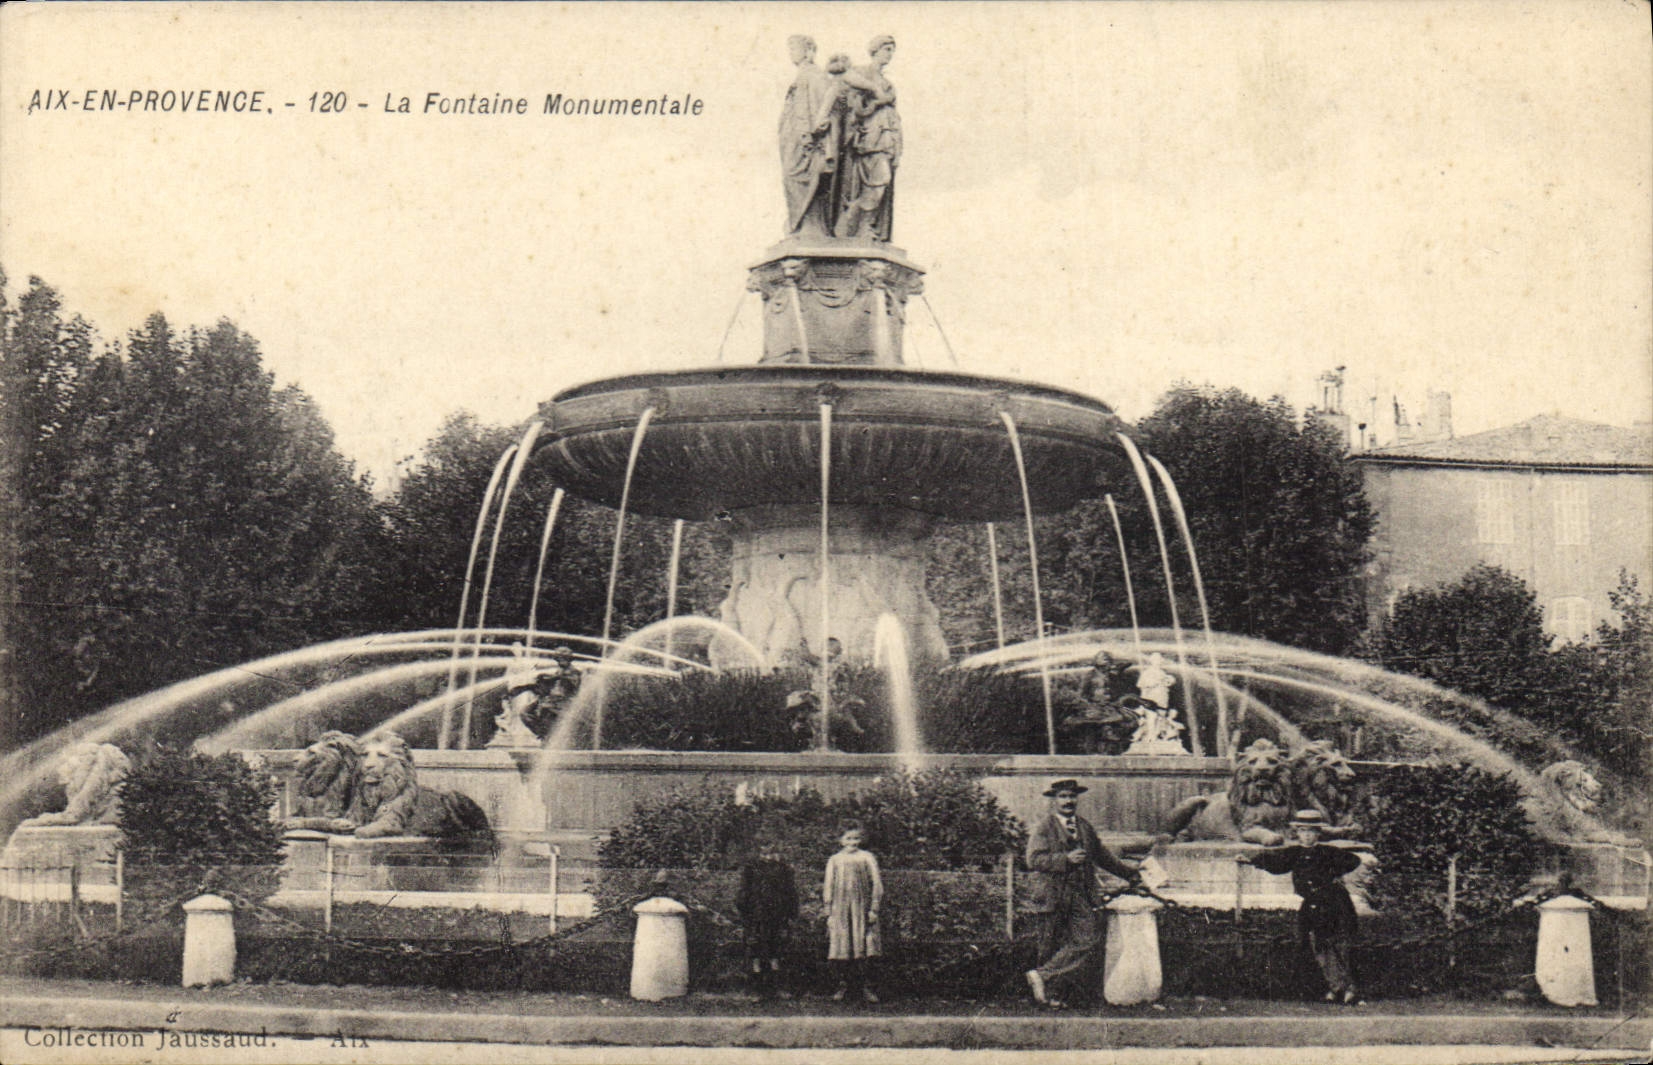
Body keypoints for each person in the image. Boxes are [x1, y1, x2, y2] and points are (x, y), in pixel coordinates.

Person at [1024, 779, 1141, 1009]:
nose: (1068, 801)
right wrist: (1064, 859)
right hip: (1052, 893)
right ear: (1054, 800)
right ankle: (1049, 996)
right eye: (1063, 796)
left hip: (1079, 894)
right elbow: (1033, 859)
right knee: (1051, 944)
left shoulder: (1084, 827)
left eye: (1072, 796)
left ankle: (1042, 976)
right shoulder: (1044, 827)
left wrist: (1130, 874)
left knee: (1087, 938)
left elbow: (1103, 857)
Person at [1237, 809, 1365, 1004]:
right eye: (1303, 831)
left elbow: (1353, 860)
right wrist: (1251, 860)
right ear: (1297, 832)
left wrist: (1332, 875)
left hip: (1334, 903)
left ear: (1318, 834)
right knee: (1317, 944)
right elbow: (1275, 861)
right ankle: (1333, 987)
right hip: (1312, 904)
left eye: (1311, 831)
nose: (1307, 836)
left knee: (1338, 944)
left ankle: (1349, 989)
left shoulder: (1327, 852)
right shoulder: (1294, 853)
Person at [833, 35, 901, 241]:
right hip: (870, 137)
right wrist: (874, 91)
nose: (890, 54)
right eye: (886, 49)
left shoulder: (888, 83)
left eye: (892, 50)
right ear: (875, 50)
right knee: (879, 179)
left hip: (887, 138)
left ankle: (865, 225)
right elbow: (846, 79)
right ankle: (856, 221)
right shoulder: (864, 72)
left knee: (881, 182)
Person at [778, 35, 842, 238]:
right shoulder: (803, 75)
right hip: (793, 138)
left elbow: (823, 106)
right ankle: (801, 223)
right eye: (790, 49)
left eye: (795, 48)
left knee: (799, 175)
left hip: (805, 141)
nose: (791, 53)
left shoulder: (814, 75)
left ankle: (809, 224)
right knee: (791, 176)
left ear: (809, 52)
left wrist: (811, 133)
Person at [823, 822, 884, 1003]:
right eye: (848, 838)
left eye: (856, 838)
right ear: (841, 840)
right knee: (841, 947)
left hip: (861, 909)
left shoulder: (867, 857)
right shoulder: (835, 860)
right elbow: (828, 886)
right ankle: (842, 986)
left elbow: (877, 884)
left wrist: (874, 909)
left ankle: (866, 987)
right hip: (840, 910)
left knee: (864, 946)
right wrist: (829, 912)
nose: (853, 842)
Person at [738, 831, 800, 998]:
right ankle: (756, 988)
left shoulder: (784, 869)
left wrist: (791, 914)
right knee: (756, 951)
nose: (768, 857)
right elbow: (744, 892)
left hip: (777, 915)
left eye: (771, 852)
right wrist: (746, 913)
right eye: (764, 853)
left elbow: (791, 893)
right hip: (756, 916)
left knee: (776, 950)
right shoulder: (751, 868)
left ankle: (776, 986)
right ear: (758, 852)